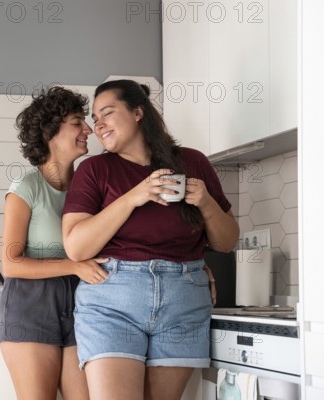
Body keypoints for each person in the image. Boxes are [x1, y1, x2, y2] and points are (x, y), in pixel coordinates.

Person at [61, 79, 239, 400]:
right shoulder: (94, 170)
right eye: (95, 118)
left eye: (107, 113)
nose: (98, 125)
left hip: (184, 298)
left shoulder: (193, 162)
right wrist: (134, 196)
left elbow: (227, 242)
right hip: (113, 300)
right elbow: (76, 247)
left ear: (138, 112)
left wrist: (206, 202)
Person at [0, 86, 109, 400]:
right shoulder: (26, 188)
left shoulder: (90, 189)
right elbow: (11, 262)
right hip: (30, 307)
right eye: (78, 122)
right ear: (51, 132)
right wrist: (73, 266)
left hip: (84, 305)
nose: (89, 129)